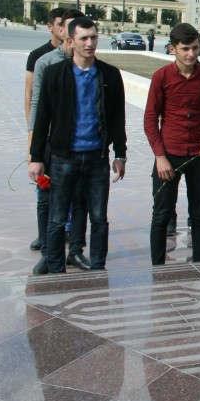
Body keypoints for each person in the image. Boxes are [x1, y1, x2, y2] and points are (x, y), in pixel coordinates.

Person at [28, 16, 127, 274]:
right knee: (58, 217)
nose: (90, 43)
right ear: (70, 41)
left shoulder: (110, 74)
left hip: (96, 158)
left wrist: (120, 153)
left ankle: (97, 267)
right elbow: (42, 119)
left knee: (98, 217)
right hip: (63, 157)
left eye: (94, 37)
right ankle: (56, 268)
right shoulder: (54, 74)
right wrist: (36, 157)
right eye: (84, 38)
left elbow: (117, 117)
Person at [144, 23, 200, 266]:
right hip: (169, 155)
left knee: (199, 215)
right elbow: (149, 119)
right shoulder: (161, 77)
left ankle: (199, 264)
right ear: (173, 49)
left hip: (199, 156)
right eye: (185, 48)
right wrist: (160, 156)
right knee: (161, 215)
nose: (191, 54)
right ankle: (157, 267)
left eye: (195, 48)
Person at [29, 8, 90, 270]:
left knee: (79, 199)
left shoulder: (91, 65)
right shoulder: (45, 62)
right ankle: (48, 248)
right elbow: (37, 104)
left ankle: (75, 249)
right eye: (64, 27)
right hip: (51, 143)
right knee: (48, 197)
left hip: (79, 145)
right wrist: (33, 146)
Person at [25, 9, 65, 252]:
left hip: (66, 138)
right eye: (60, 25)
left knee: (69, 192)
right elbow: (31, 98)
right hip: (45, 135)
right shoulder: (39, 57)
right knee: (44, 187)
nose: (64, 30)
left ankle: (66, 232)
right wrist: (32, 140)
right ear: (51, 26)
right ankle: (44, 235)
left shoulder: (80, 58)